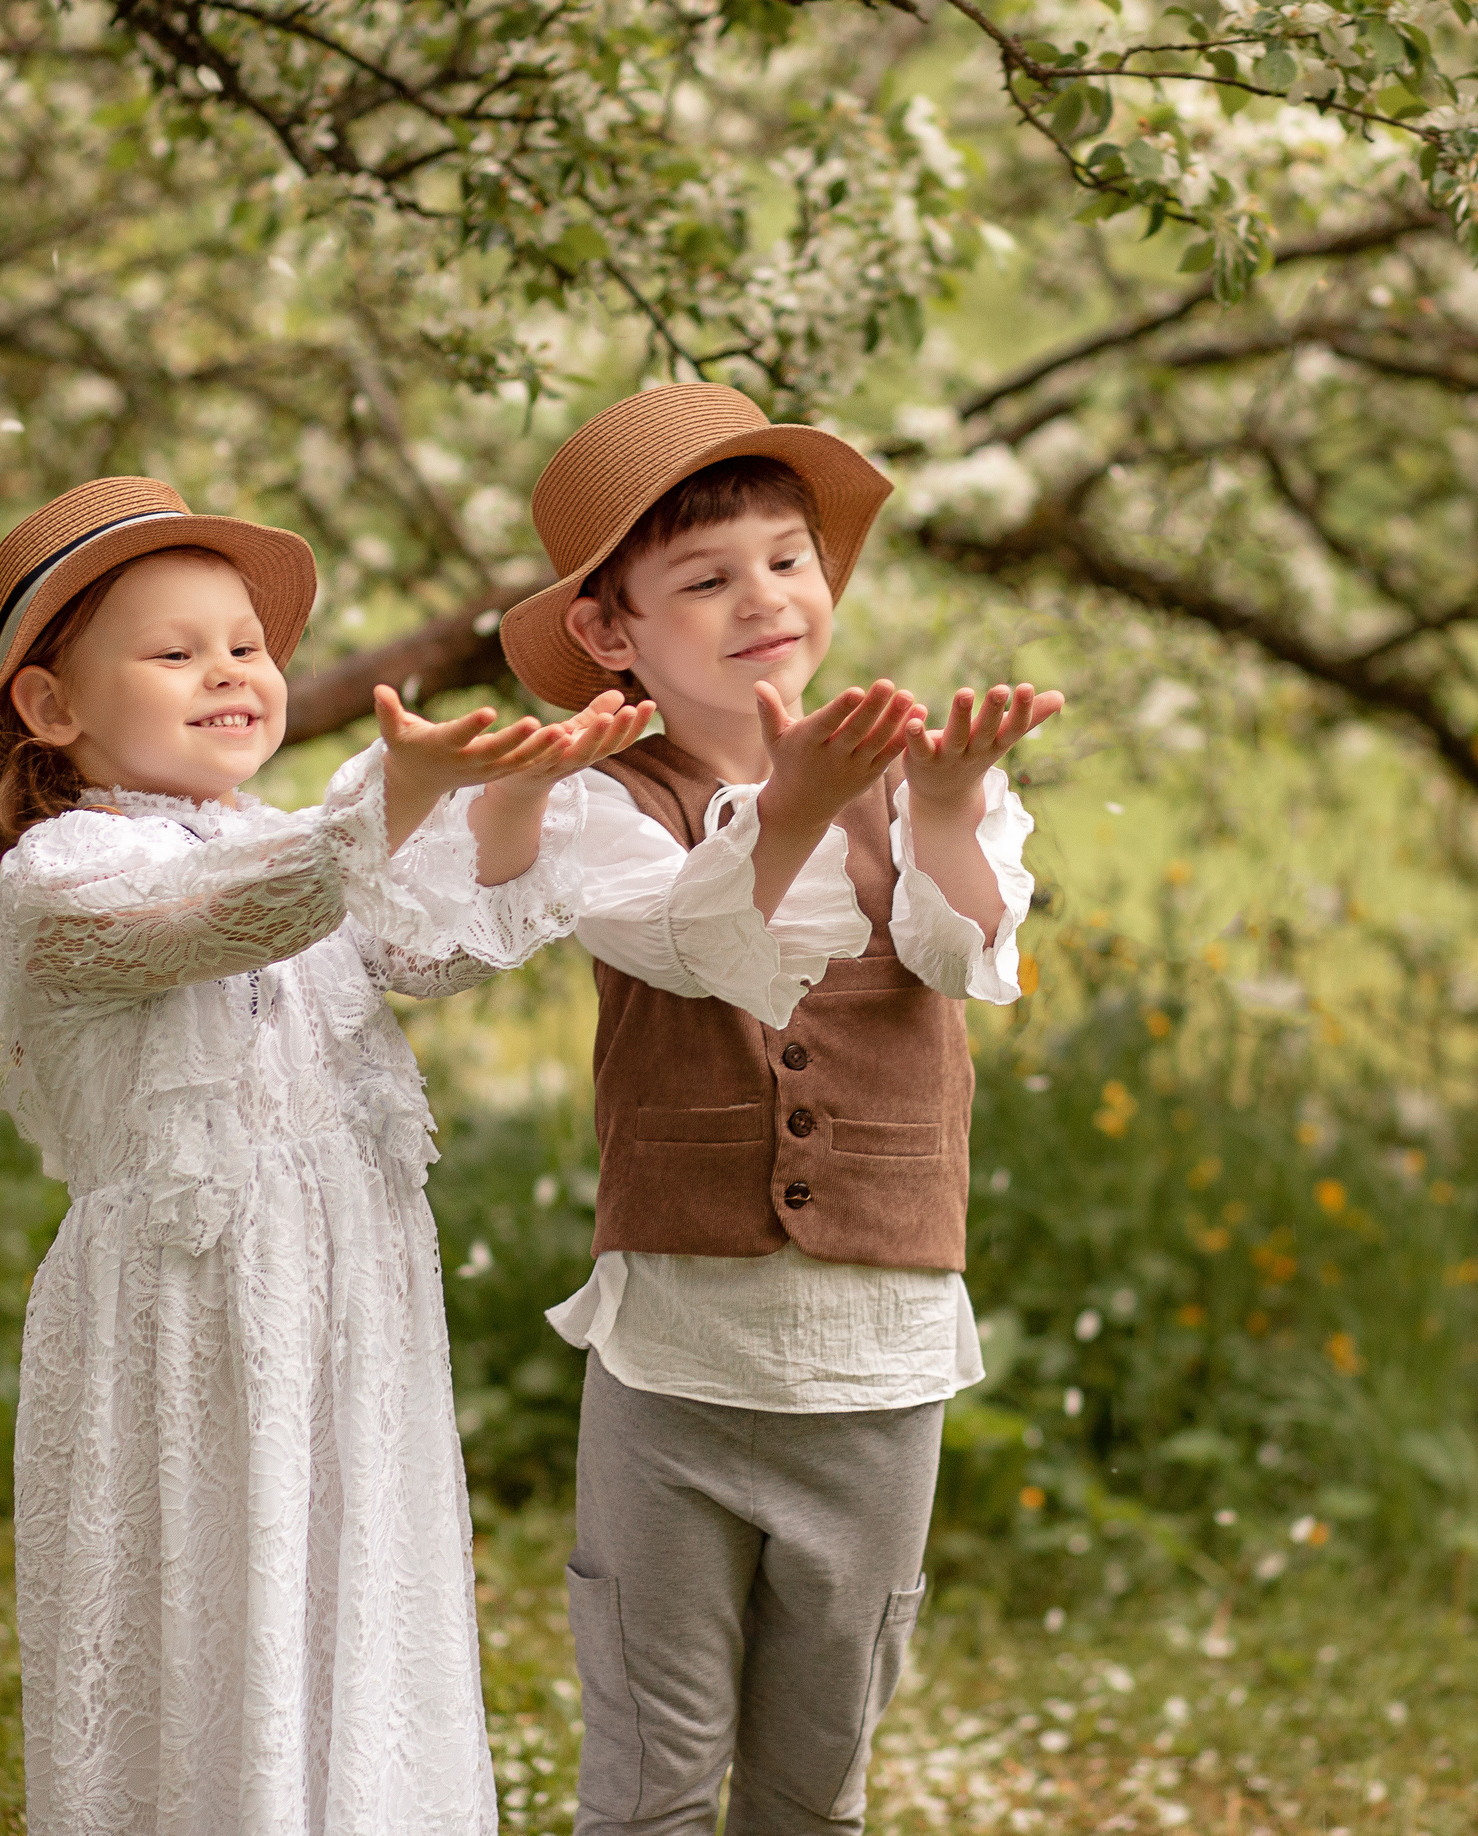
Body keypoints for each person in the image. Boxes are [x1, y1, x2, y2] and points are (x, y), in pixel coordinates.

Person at [0, 475, 649, 1835]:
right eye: (175, 651)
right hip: (185, 1318)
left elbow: (430, 949)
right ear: (50, 704)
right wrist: (394, 796)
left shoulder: (290, 843)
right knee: (208, 1598)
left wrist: (510, 797)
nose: (230, 671)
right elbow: (225, 919)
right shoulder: (61, 881)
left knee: (350, 1587)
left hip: (347, 1302)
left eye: (247, 645)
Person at [497, 384, 1063, 1835]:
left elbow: (968, 955)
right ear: (609, 632)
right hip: (674, 1368)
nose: (762, 597)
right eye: (704, 578)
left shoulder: (911, 779)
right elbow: (695, 948)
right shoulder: (603, 805)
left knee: (816, 1782)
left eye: (787, 559)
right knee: (652, 1769)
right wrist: (791, 808)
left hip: (874, 1373)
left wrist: (945, 810)